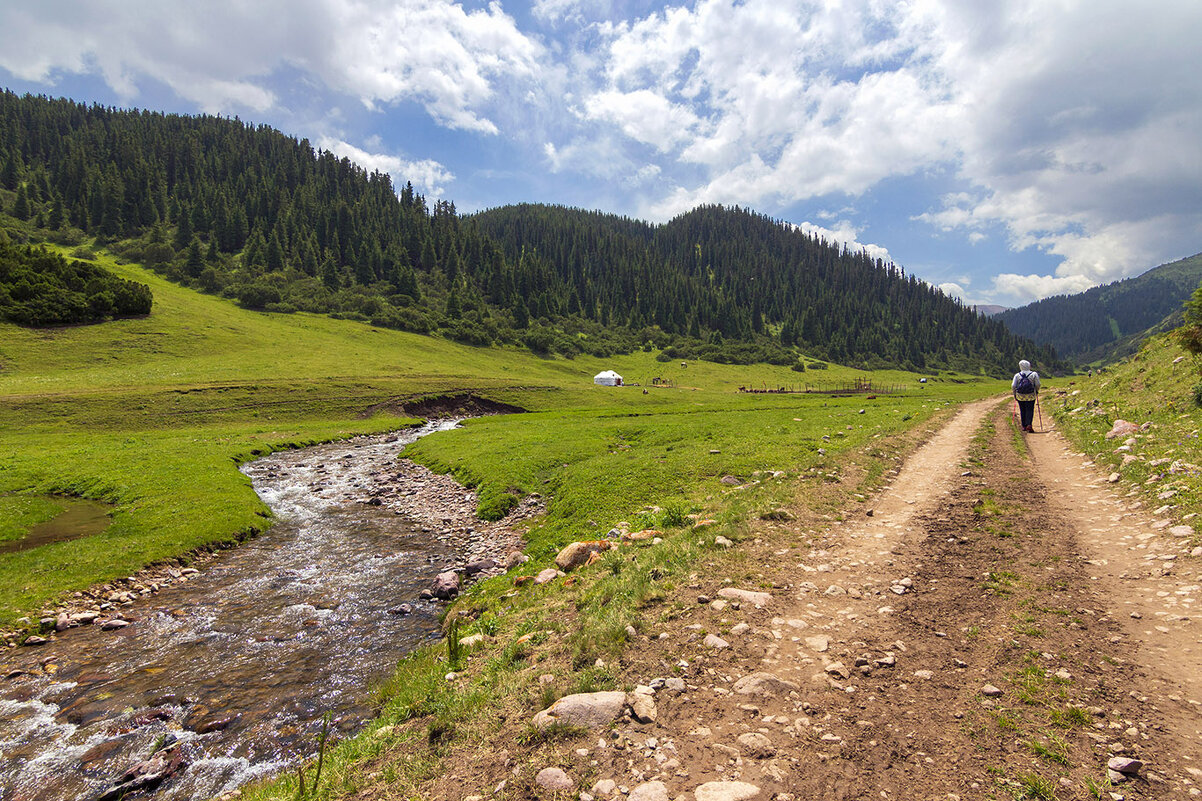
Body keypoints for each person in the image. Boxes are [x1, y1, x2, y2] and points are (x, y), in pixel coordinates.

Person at [1011, 359, 1041, 433]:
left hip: (1020, 396)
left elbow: (1013, 385)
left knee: (1022, 409)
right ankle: (1029, 424)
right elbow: (1038, 384)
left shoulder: (1017, 375)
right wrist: (1036, 390)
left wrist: (1014, 393)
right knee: (1030, 409)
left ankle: (1024, 426)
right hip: (1031, 395)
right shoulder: (1034, 374)